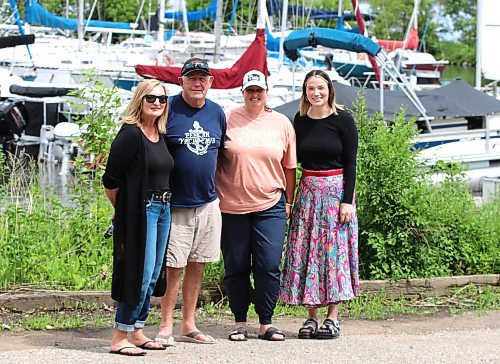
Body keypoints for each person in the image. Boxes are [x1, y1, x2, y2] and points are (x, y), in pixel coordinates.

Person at [216, 70, 297, 342]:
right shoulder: (227, 118)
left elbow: (289, 166)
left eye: (259, 90)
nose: (254, 94)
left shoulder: (281, 123)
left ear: (266, 92)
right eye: (249, 90)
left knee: (269, 264)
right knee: (236, 265)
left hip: (271, 204)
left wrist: (288, 200)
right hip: (231, 205)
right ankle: (240, 321)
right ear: (242, 92)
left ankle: (266, 322)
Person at [279, 69, 360, 340]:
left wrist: (347, 201)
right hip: (308, 192)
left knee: (333, 255)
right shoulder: (299, 121)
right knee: (308, 252)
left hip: (336, 193)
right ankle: (311, 317)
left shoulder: (343, 120)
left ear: (329, 91)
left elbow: (351, 163)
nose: (316, 93)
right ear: (305, 92)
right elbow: (291, 160)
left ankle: (332, 318)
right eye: (311, 88)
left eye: (321, 88)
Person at [155, 58, 226, 346]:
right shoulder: (168, 107)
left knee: (198, 264)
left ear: (210, 82)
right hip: (176, 204)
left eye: (203, 78)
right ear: (181, 81)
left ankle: (189, 323)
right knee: (174, 267)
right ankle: (165, 325)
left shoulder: (217, 112)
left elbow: (222, 154)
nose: (197, 83)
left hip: (207, 203)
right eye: (192, 78)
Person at [103, 79, 173, 356]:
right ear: (140, 101)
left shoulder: (159, 132)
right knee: (139, 275)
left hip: (164, 209)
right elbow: (111, 181)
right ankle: (120, 336)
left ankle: (138, 330)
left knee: (154, 273)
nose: (157, 103)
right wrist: (126, 211)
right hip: (142, 211)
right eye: (151, 98)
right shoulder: (130, 134)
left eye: (162, 99)